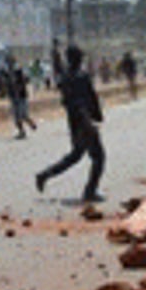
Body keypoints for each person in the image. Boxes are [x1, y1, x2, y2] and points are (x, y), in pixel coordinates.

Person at [36, 44, 105, 203]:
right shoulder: (81, 76)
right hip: (84, 121)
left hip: (74, 122)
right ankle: (89, 191)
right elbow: (90, 98)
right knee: (99, 158)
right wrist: (94, 118)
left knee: (75, 156)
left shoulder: (65, 77)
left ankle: (45, 175)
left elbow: (66, 99)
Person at [7, 59, 37, 140]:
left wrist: (18, 89)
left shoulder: (18, 72)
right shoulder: (8, 74)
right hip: (15, 97)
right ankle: (22, 131)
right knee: (17, 117)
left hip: (21, 96)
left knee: (23, 115)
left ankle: (31, 124)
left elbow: (24, 81)